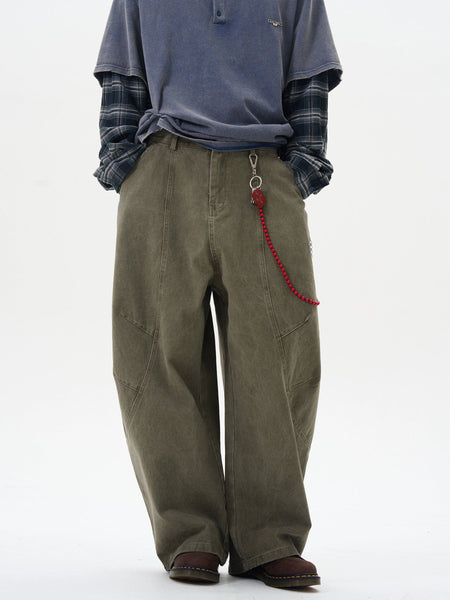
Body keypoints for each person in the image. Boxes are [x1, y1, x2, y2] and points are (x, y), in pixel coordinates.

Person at [92, 0, 343, 589]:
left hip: (262, 176)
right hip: (163, 172)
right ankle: (191, 536)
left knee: (278, 357)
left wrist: (300, 169)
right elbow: (122, 74)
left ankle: (269, 538)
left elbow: (308, 77)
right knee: (158, 355)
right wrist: (126, 163)